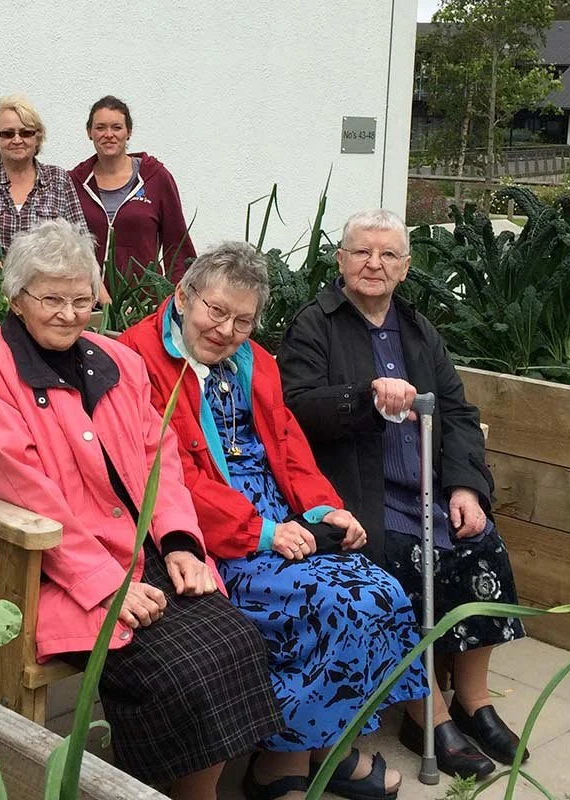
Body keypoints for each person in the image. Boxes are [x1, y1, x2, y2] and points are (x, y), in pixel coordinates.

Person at [0, 220, 282, 799]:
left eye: (82, 299)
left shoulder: (114, 360)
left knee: (237, 642)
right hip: (51, 569)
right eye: (51, 298)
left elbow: (162, 460)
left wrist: (181, 541)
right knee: (175, 670)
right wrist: (106, 585)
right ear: (16, 298)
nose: (69, 313)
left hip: (141, 549)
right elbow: (23, 495)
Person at [120, 241, 426, 800]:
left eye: (243, 320)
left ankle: (308, 750)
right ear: (184, 296)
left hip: (284, 523)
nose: (226, 330)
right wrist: (261, 532)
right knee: (330, 603)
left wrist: (323, 507)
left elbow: (286, 442)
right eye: (215, 311)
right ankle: (288, 764)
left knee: (382, 590)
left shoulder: (253, 359)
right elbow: (169, 475)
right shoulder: (137, 357)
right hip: (214, 539)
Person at [276, 208, 528, 779]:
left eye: (388, 254)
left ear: (405, 267)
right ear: (340, 260)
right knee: (407, 566)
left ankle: (474, 700)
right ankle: (425, 712)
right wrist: (365, 397)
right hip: (360, 492)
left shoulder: (417, 329)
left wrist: (465, 486)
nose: (374, 263)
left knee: (482, 546)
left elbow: (459, 412)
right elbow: (296, 408)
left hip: (427, 491)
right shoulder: (315, 323)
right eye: (362, 251)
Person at [70, 95, 196, 284]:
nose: (109, 134)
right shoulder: (74, 182)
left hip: (143, 301)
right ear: (90, 132)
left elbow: (176, 243)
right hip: (87, 302)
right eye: (100, 127)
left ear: (128, 132)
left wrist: (180, 297)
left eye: (117, 127)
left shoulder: (156, 178)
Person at [0, 95, 88, 253]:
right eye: (7, 134)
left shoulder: (58, 179)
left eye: (26, 133)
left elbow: (80, 241)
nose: (17, 140)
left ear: (38, 138)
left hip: (47, 277)